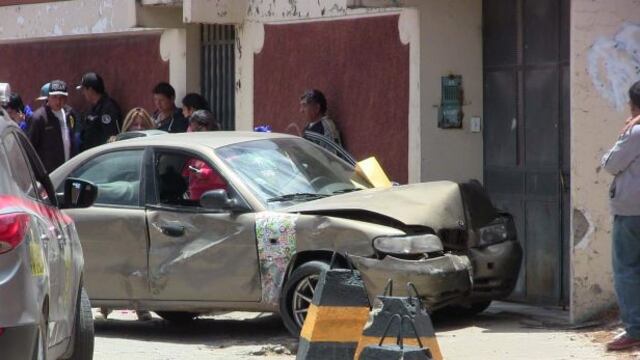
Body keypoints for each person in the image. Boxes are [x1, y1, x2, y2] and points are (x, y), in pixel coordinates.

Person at [602, 80, 640, 351]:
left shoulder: (635, 132)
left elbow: (611, 164)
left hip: (631, 211)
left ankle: (635, 328)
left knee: (626, 269)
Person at [28, 80, 74, 173]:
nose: (58, 101)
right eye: (54, 97)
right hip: (49, 175)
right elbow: (30, 150)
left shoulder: (69, 114)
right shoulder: (39, 118)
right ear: (48, 97)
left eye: (62, 97)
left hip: (68, 171)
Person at [182, 110, 225, 200]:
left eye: (199, 129)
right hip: (195, 201)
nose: (195, 134)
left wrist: (204, 173)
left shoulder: (219, 146)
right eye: (193, 131)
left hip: (216, 200)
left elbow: (225, 174)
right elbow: (185, 172)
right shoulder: (194, 148)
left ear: (209, 126)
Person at [76, 72, 122, 151]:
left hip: (103, 156)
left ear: (90, 90)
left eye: (84, 89)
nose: (83, 93)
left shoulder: (108, 108)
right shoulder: (93, 109)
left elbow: (112, 136)